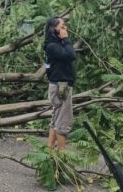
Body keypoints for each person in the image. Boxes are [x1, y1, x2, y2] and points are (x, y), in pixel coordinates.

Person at [44, 16, 76, 152]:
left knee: (57, 118)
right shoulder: (52, 46)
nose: (65, 29)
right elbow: (71, 55)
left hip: (60, 84)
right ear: (54, 29)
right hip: (61, 85)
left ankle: (49, 151)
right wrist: (66, 39)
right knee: (63, 121)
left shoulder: (56, 45)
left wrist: (64, 40)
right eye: (62, 26)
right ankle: (62, 156)